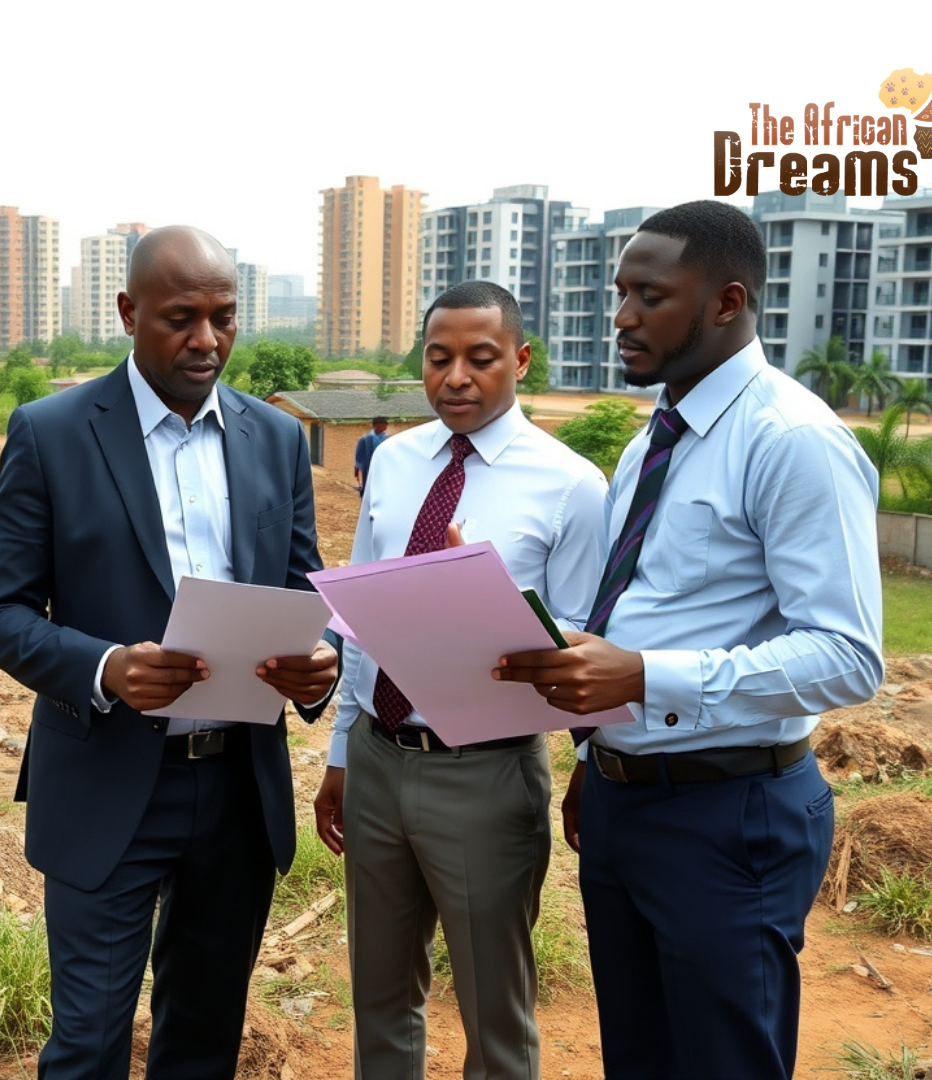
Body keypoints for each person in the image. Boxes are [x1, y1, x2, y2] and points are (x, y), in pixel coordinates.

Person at [494, 200, 883, 1080]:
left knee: (720, 1063)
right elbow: (651, 608)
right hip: (625, 805)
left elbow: (849, 656)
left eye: (649, 296)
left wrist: (640, 677)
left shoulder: (793, 441)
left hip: (729, 815)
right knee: (640, 1058)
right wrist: (597, 751)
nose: (621, 316)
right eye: (619, 292)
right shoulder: (650, 441)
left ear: (726, 301)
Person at [0, 225, 341, 1080]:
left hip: (239, 788)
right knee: (90, 1042)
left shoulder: (275, 440)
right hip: (107, 783)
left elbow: (306, 593)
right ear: (129, 313)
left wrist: (319, 667)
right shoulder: (51, 433)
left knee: (204, 1038)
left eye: (224, 317)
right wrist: (106, 669)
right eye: (182, 317)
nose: (207, 340)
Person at [313, 281, 607, 1080]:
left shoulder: (572, 485)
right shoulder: (396, 461)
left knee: (494, 1016)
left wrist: (489, 609)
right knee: (380, 996)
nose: (456, 378)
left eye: (481, 359)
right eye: (439, 359)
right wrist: (342, 752)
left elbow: (586, 648)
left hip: (485, 771)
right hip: (378, 758)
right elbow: (363, 619)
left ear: (520, 359)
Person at [353, 415, 388, 494]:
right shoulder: (364, 440)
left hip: (383, 472)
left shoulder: (388, 439)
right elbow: (359, 463)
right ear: (376, 425)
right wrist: (360, 482)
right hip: (368, 472)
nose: (386, 427)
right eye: (384, 424)